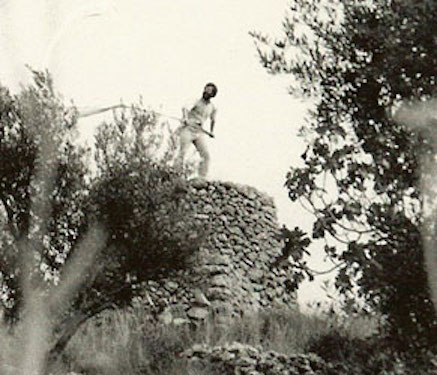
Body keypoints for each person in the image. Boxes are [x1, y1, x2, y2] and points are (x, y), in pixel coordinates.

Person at [177, 82, 218, 179]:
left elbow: (213, 119)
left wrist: (211, 131)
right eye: (205, 90)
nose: (205, 92)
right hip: (188, 129)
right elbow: (185, 108)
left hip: (199, 132)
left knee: (206, 156)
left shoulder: (213, 107)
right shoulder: (196, 100)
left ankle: (202, 177)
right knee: (182, 152)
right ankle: (177, 174)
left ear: (212, 95)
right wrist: (185, 118)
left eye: (208, 91)